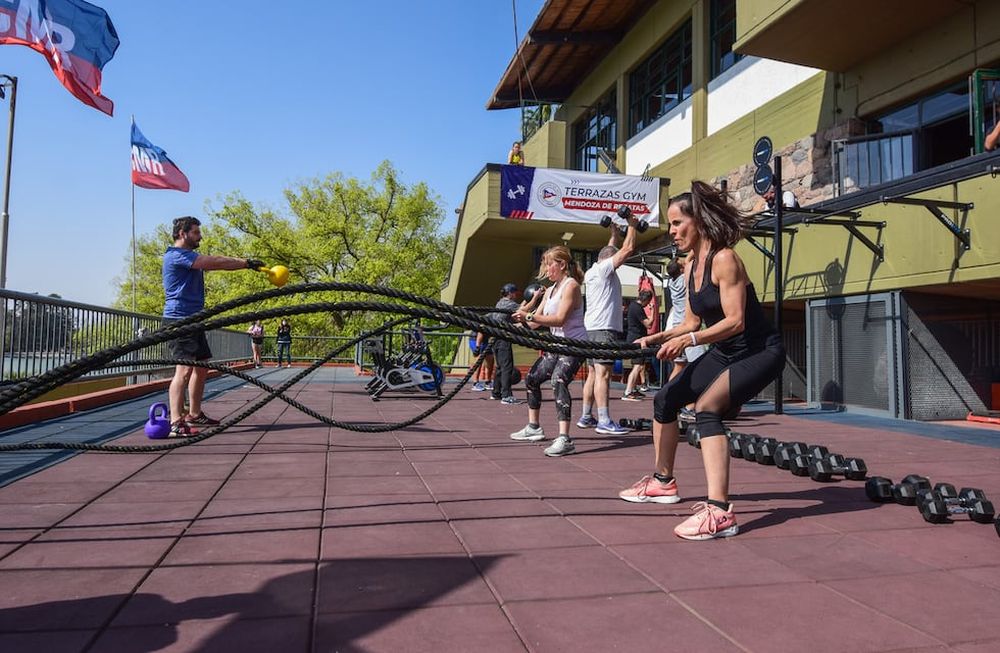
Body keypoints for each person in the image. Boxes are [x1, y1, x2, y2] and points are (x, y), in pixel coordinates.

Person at [618, 181, 785, 541]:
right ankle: (663, 482)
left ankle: (721, 512)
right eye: (671, 225)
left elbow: (735, 320)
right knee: (665, 400)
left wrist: (689, 341)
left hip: (759, 351)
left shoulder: (724, 259)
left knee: (707, 409)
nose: (672, 231)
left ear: (699, 221)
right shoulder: (691, 264)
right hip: (726, 351)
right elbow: (691, 322)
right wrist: (658, 336)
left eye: (678, 223)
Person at [162, 216, 265, 437]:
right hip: (180, 320)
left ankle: (195, 413)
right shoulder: (176, 256)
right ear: (183, 233)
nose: (200, 236)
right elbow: (215, 262)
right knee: (184, 370)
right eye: (196, 232)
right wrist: (245, 263)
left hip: (194, 318)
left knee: (201, 366)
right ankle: (175, 422)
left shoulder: (186, 255)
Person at [509, 246, 587, 457]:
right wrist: (518, 324)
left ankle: (564, 439)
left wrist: (529, 317)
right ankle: (534, 427)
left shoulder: (570, 286)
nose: (545, 268)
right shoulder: (550, 289)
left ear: (562, 264)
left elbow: (560, 319)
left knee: (558, 379)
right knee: (532, 378)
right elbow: (534, 323)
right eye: (544, 263)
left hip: (574, 345)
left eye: (548, 263)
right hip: (556, 345)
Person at [576, 211, 638, 436]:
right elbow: (626, 250)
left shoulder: (594, 269)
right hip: (604, 329)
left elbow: (609, 251)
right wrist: (632, 224)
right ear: (609, 261)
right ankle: (603, 420)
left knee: (593, 373)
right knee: (603, 375)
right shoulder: (604, 270)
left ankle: (585, 416)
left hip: (592, 328)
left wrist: (614, 233)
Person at [660, 258, 707, 420]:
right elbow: (690, 263)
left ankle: (667, 398)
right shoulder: (684, 279)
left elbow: (686, 263)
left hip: (677, 329)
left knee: (679, 366)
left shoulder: (672, 283)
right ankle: (690, 408)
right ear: (681, 269)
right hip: (687, 330)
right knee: (700, 368)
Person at [489, 283, 523, 404]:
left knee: (499, 367)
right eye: (514, 293)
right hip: (503, 339)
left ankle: (496, 392)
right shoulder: (509, 303)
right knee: (507, 367)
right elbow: (523, 311)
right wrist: (535, 298)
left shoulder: (500, 303)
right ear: (510, 293)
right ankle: (506, 395)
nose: (515, 295)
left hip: (495, 339)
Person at [622, 289, 655, 400]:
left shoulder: (632, 306)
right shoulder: (637, 308)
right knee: (638, 366)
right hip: (637, 340)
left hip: (632, 338)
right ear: (647, 300)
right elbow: (649, 324)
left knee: (637, 365)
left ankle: (634, 389)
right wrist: (653, 311)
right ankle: (628, 391)